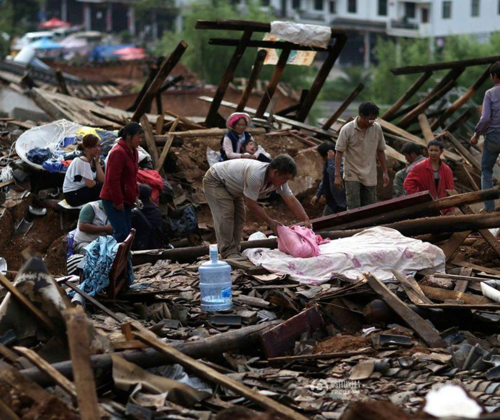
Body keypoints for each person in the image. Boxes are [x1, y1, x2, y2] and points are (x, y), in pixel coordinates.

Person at [203, 154, 311, 259]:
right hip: (216, 180)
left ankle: (235, 250)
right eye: (285, 178)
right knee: (226, 213)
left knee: (239, 216)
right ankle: (228, 251)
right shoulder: (256, 175)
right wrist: (270, 222)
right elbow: (251, 205)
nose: (285, 182)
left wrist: (305, 219)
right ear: (275, 173)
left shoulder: (280, 181)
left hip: (233, 186)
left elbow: (291, 199)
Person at [334, 102, 389, 210]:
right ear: (362, 116)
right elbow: (339, 152)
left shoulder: (376, 128)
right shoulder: (347, 129)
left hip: (370, 173)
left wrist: (385, 171)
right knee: (353, 206)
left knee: (369, 206)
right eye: (370, 119)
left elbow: (380, 150)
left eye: (374, 119)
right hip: (352, 172)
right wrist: (337, 175)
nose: (372, 122)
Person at [100, 122, 143, 242]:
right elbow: (112, 179)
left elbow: (133, 176)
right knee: (121, 234)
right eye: (138, 137)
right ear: (129, 136)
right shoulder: (118, 152)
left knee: (128, 233)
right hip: (113, 199)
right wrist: (117, 200)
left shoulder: (133, 151)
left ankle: (124, 260)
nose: (140, 140)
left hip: (126, 198)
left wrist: (135, 193)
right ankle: (108, 257)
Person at [471, 61, 500, 212]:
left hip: (494, 136)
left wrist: (476, 134)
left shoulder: (490, 93)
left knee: (487, 172)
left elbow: (485, 118)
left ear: (494, 76)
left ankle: (489, 208)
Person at [403, 140, 455, 213]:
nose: (433, 153)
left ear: (441, 152)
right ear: (428, 151)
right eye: (431, 150)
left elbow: (450, 190)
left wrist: (450, 209)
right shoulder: (419, 167)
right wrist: (420, 196)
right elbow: (408, 183)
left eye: (436, 150)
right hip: (425, 206)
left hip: (443, 206)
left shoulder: (447, 170)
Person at [63, 134, 104, 207]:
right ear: (87, 148)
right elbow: (90, 184)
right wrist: (96, 182)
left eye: (99, 146)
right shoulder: (82, 160)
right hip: (73, 195)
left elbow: (102, 180)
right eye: (95, 146)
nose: (98, 149)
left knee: (104, 186)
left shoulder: (93, 160)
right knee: (104, 188)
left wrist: (97, 162)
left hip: (82, 190)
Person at [311, 141, 347, 215]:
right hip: (331, 201)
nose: (320, 158)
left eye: (321, 156)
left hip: (341, 202)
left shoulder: (342, 163)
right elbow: (325, 180)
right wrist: (318, 194)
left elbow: (335, 174)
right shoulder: (327, 163)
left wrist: (330, 161)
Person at [131, 184, 171, 251]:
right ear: (149, 197)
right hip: (157, 244)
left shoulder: (135, 212)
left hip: (142, 247)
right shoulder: (155, 209)